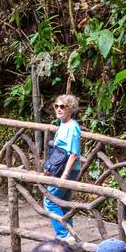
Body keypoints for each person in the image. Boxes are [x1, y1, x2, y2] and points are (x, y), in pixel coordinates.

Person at [42, 94, 83, 243]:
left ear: (70, 109)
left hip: (68, 170)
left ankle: (63, 235)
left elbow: (73, 154)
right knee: (63, 202)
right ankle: (69, 235)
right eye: (56, 106)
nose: (58, 109)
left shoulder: (73, 127)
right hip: (60, 168)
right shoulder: (63, 125)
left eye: (62, 106)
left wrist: (64, 175)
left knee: (50, 200)